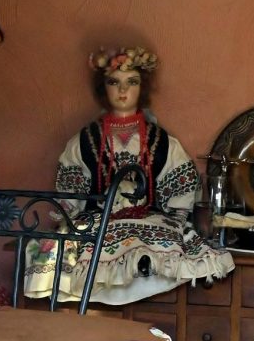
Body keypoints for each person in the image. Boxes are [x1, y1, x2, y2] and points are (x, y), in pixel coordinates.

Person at [24, 46, 233, 306]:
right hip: (98, 220)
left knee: (161, 243)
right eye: (114, 82)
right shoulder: (85, 140)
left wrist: (175, 219)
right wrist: (78, 214)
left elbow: (182, 190)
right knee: (68, 243)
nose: (123, 91)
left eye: (131, 82)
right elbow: (71, 193)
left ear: (142, 87)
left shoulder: (162, 141)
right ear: (103, 88)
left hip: (148, 219)